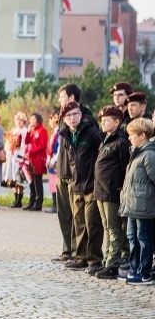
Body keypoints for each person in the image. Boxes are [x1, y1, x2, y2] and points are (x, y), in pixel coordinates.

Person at [52, 84, 97, 265]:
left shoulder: (85, 119)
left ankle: (78, 251)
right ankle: (67, 249)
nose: (59, 100)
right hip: (62, 171)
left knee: (77, 216)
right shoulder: (64, 118)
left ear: (71, 97)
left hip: (76, 176)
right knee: (64, 214)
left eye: (62, 97)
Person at [59, 101, 103, 273]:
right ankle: (81, 256)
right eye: (69, 115)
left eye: (75, 114)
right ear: (64, 118)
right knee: (79, 223)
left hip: (92, 185)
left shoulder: (91, 132)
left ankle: (95, 259)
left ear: (81, 114)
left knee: (92, 223)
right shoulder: (67, 135)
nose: (72, 117)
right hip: (76, 185)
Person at [93, 105, 130, 279]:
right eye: (102, 120)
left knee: (114, 229)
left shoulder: (121, 142)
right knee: (106, 227)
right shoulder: (105, 139)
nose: (103, 122)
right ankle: (107, 260)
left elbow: (125, 168)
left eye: (106, 120)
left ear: (117, 122)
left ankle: (112, 264)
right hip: (100, 190)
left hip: (111, 191)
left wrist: (120, 189)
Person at [119, 117, 155, 285]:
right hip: (132, 205)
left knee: (143, 238)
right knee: (132, 237)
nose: (129, 138)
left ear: (142, 135)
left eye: (132, 134)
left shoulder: (149, 155)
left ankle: (144, 272)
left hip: (144, 206)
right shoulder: (136, 153)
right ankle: (134, 268)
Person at [23, 113, 48, 211]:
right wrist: (28, 132)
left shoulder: (43, 130)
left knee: (38, 181)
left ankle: (38, 203)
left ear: (37, 120)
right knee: (31, 182)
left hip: (38, 159)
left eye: (32, 119)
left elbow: (42, 146)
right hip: (31, 159)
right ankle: (31, 202)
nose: (31, 121)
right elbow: (27, 141)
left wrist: (31, 152)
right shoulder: (32, 130)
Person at [4, 111, 28, 208]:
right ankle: (15, 199)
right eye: (17, 120)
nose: (19, 122)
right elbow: (8, 143)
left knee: (19, 178)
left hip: (19, 155)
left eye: (21, 121)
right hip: (11, 155)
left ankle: (19, 200)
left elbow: (24, 144)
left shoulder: (25, 131)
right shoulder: (13, 131)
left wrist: (22, 155)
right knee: (13, 178)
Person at [45, 112, 61, 214]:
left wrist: (54, 159)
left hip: (55, 158)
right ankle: (54, 204)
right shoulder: (54, 132)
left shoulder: (59, 133)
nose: (49, 122)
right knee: (52, 182)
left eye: (50, 120)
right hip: (51, 158)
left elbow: (58, 148)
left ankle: (57, 205)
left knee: (55, 183)